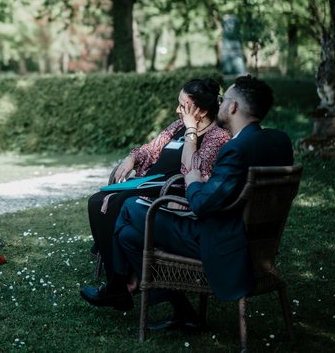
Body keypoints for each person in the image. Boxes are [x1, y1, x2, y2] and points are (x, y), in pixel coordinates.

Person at [99, 76, 294, 331]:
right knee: (128, 235)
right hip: (256, 242)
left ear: (233, 108)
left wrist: (192, 181)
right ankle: (179, 310)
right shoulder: (278, 141)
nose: (219, 104)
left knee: (131, 208)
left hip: (221, 241)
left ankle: (125, 287)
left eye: (224, 101)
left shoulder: (234, 149)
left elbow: (202, 204)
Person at [81, 78, 231, 306]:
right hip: (146, 184)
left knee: (117, 202)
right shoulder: (176, 126)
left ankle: (118, 285)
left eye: (183, 106)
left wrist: (191, 130)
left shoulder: (216, 137)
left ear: (199, 110)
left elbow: (192, 170)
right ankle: (120, 282)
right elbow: (152, 148)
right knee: (96, 201)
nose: (177, 110)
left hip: (169, 193)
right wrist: (132, 158)